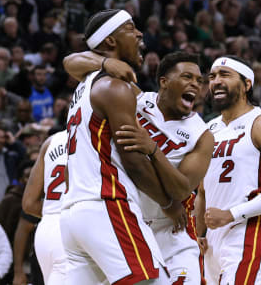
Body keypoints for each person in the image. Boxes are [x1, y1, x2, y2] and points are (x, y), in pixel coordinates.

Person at [64, 50, 214, 283]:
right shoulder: (136, 99)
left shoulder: (202, 135)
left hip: (171, 230)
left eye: (199, 81)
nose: (195, 84)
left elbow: (182, 190)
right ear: (164, 82)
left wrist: (152, 149)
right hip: (129, 221)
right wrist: (106, 62)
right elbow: (71, 62)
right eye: (187, 77)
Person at [60, 9, 185, 285]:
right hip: (106, 203)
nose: (140, 33)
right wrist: (168, 203)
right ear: (111, 41)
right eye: (130, 28)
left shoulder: (84, 85)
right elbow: (134, 161)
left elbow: (70, 61)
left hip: (72, 215)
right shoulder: (115, 87)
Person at [195, 55, 261, 285]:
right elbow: (202, 191)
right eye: (212, 77)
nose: (216, 81)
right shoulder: (209, 128)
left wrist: (230, 214)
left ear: (247, 84)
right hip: (212, 238)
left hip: (248, 231)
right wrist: (197, 233)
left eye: (225, 75)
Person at [22, 130, 67, 284]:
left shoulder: (50, 142)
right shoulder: (97, 139)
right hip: (71, 228)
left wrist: (53, 209)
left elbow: (28, 204)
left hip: (46, 227)